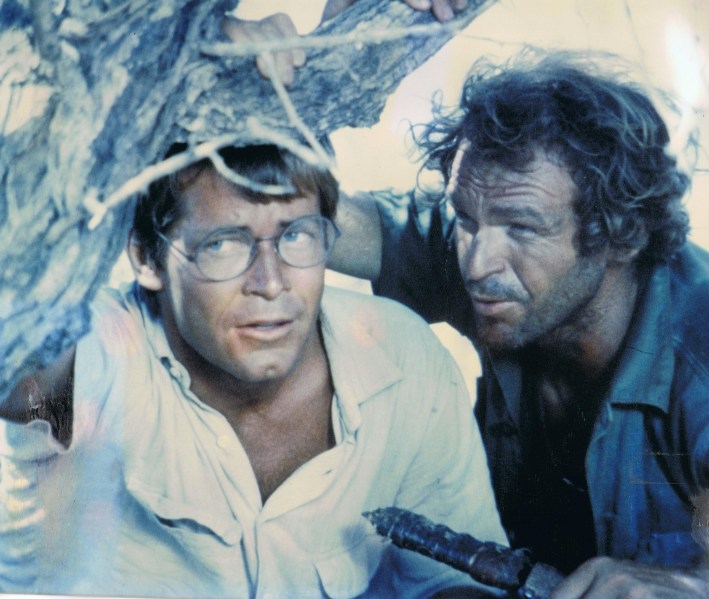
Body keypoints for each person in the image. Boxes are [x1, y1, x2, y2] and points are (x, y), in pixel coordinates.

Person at [0, 144, 506, 597]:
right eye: (223, 243)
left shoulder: (403, 359)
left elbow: (451, 584)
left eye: (297, 235)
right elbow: (24, 376)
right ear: (146, 258)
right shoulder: (97, 349)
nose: (270, 282)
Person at [330, 51, 709, 598]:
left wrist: (691, 584)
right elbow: (303, 213)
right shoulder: (489, 244)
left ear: (622, 235)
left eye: (524, 230)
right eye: (465, 219)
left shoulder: (697, 350)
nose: (477, 264)